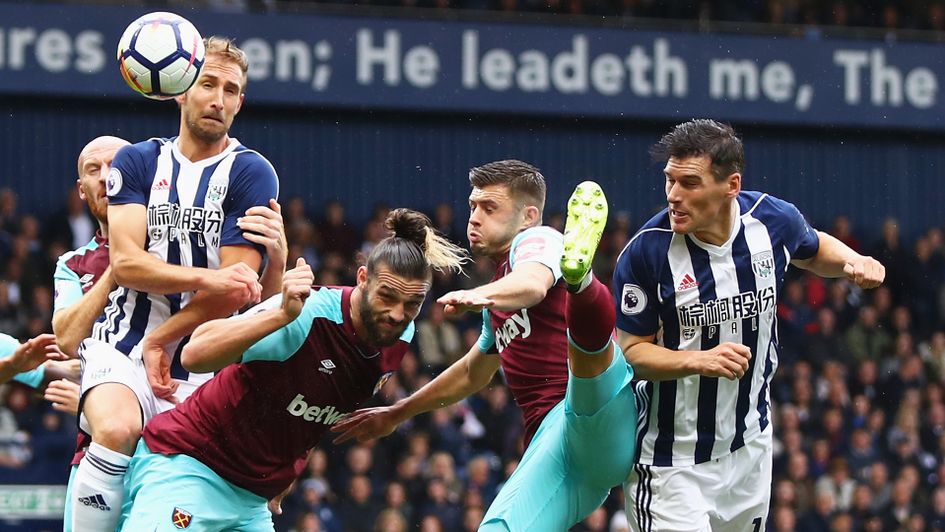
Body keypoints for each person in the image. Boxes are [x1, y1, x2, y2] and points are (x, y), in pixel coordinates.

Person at [333, 160, 638, 530]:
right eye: (473, 206)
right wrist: (397, 412)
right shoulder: (496, 305)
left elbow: (534, 283)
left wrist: (481, 294)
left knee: (587, 357)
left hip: (593, 411)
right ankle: (583, 285)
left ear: (528, 216)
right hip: (572, 458)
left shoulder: (539, 240)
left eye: (489, 208)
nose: (474, 217)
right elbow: (470, 374)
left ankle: (582, 281)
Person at [118, 209, 468, 531]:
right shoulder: (307, 314)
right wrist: (281, 315)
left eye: (412, 303)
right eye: (387, 296)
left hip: (252, 499)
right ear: (362, 278)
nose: (396, 313)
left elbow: (314, 401)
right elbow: (195, 353)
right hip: (190, 466)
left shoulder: (400, 333)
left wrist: (289, 465)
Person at [613, 119, 885, 531]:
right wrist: (699, 361)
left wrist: (854, 263)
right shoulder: (646, 253)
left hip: (749, 449)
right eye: (669, 181)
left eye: (689, 183)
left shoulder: (771, 221)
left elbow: (811, 247)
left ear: (731, 185)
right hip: (672, 464)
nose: (673, 195)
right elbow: (632, 353)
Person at [70, 36, 286, 531]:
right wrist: (202, 284)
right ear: (180, 89)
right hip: (125, 340)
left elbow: (237, 291)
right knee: (118, 428)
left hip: (206, 358)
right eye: (208, 84)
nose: (219, 99)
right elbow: (126, 265)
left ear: (240, 102)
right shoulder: (138, 162)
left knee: (207, 487)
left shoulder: (252, 173)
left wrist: (166, 337)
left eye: (231, 90)